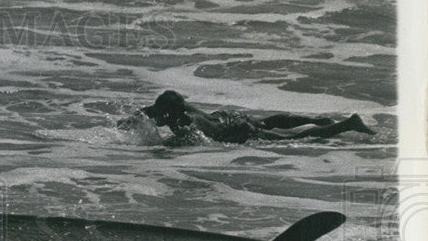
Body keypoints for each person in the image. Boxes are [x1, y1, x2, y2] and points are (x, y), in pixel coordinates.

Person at [135, 90, 376, 144]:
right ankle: (322, 120)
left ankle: (348, 124)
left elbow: (186, 141)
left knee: (285, 138)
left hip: (234, 131)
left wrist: (161, 145)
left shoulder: (186, 122)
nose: (158, 117)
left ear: (170, 113)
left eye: (161, 114)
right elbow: (147, 113)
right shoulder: (179, 109)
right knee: (270, 121)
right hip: (227, 118)